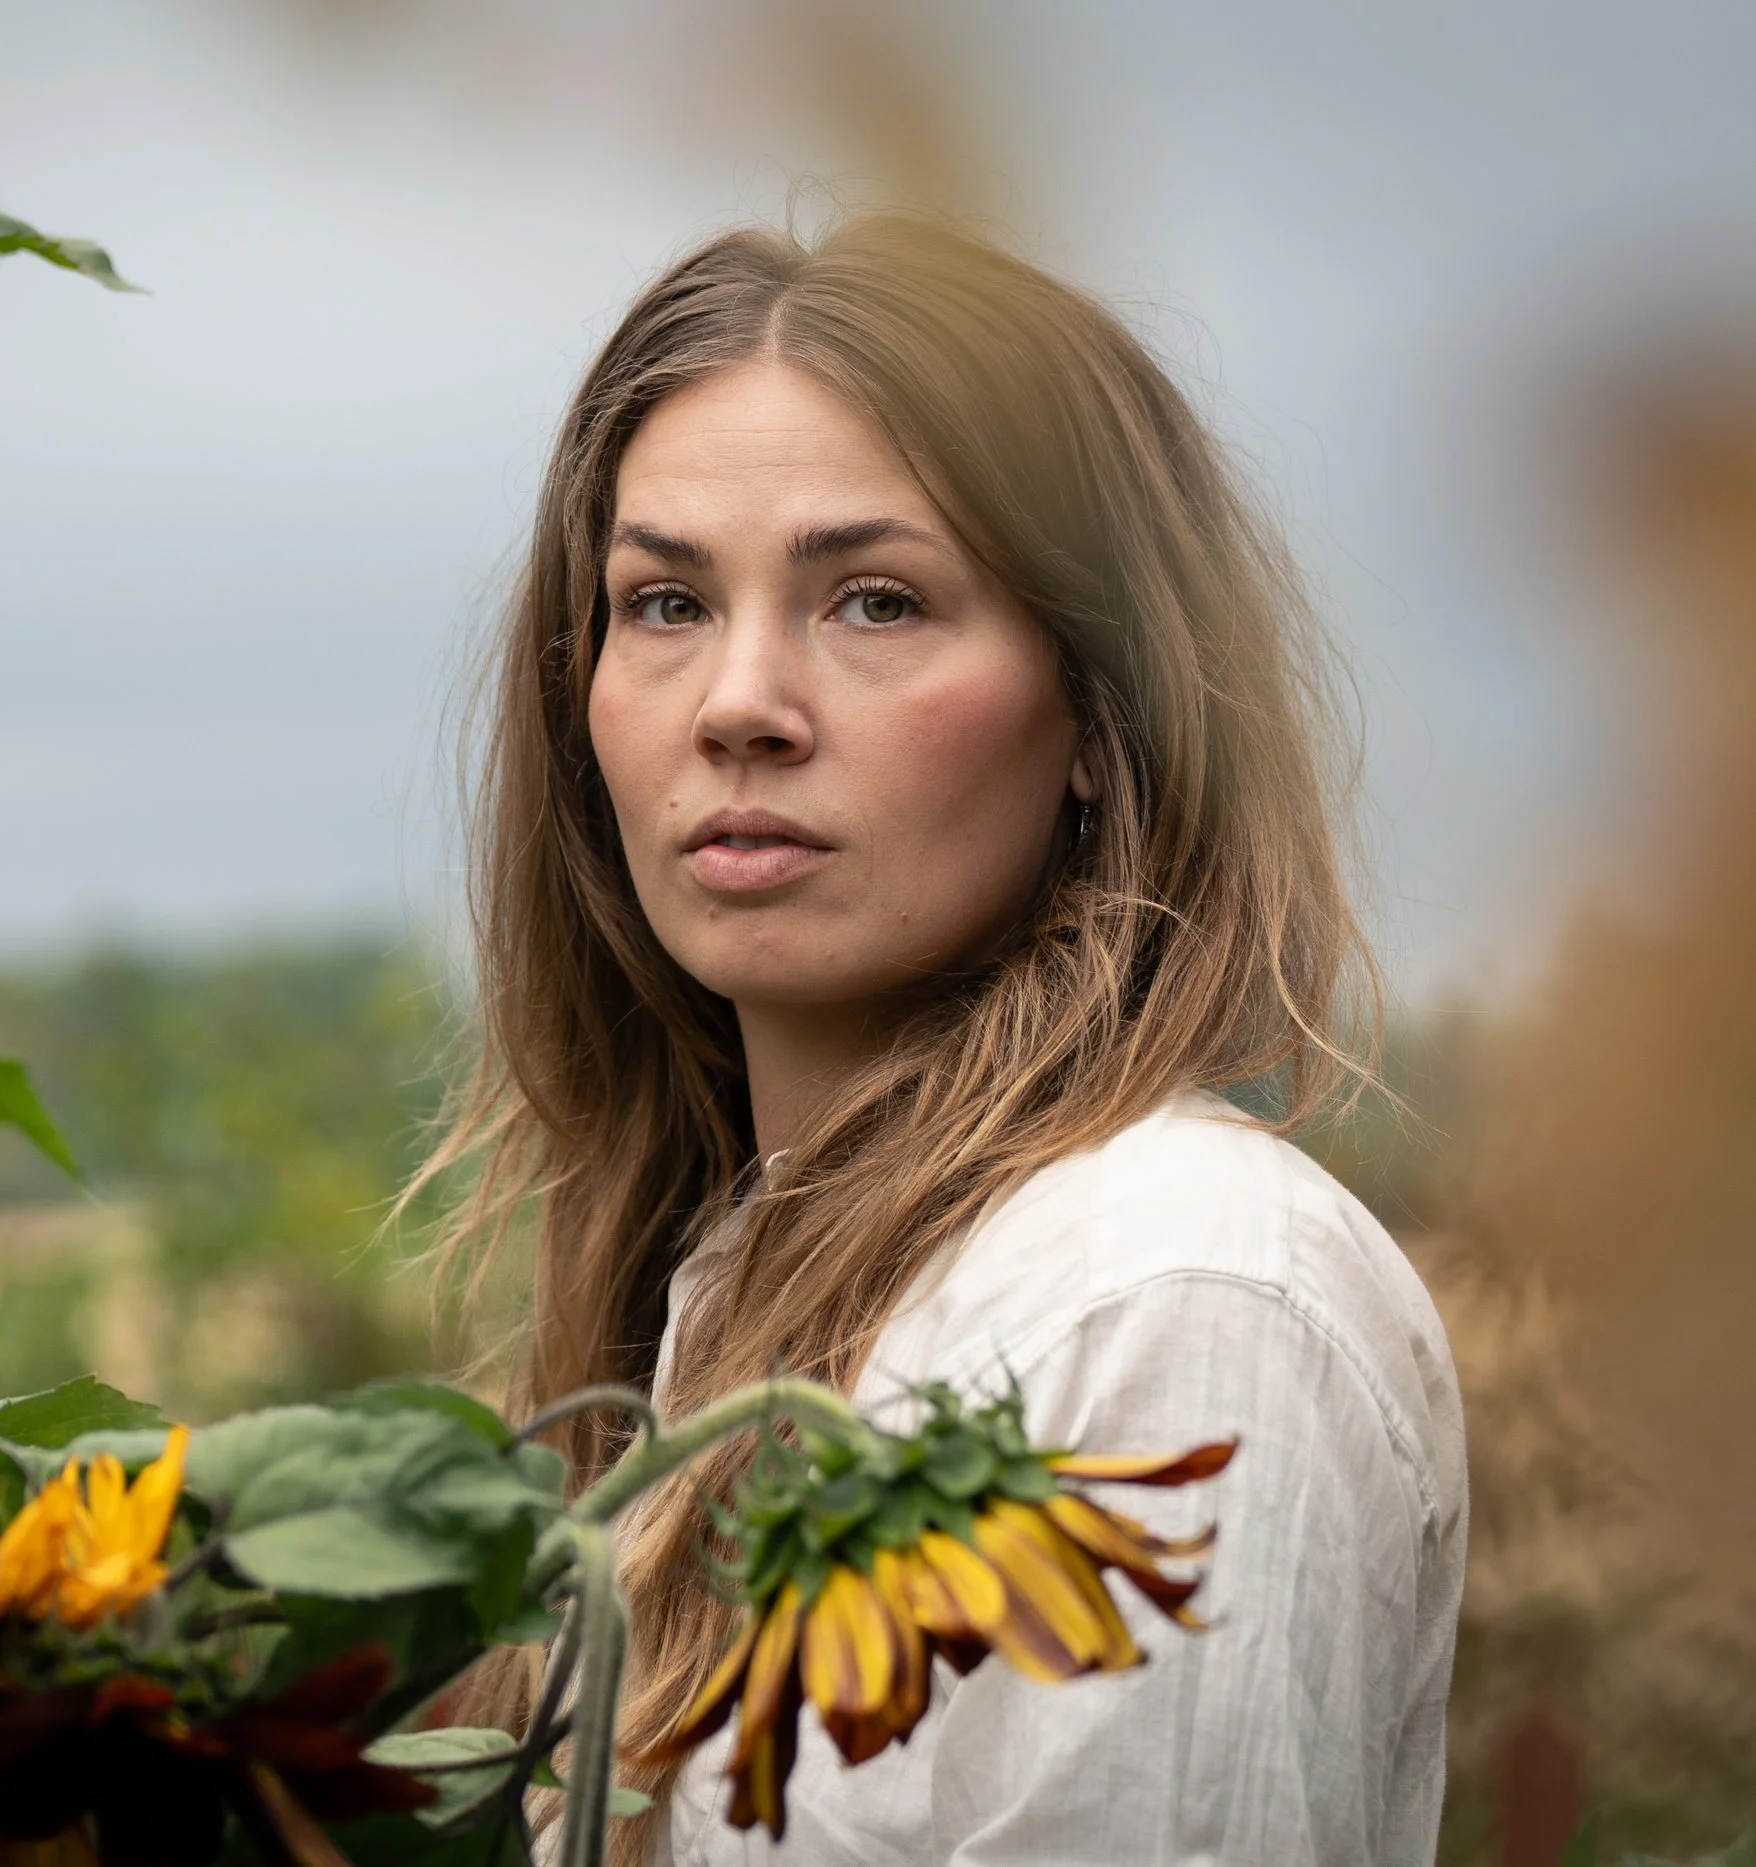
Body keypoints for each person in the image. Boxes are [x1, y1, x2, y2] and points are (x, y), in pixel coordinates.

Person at [424, 216, 1466, 1865]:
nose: (738, 701)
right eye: (667, 599)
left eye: (881, 599)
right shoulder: (703, 1289)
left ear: (1107, 711)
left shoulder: (1165, 1291)